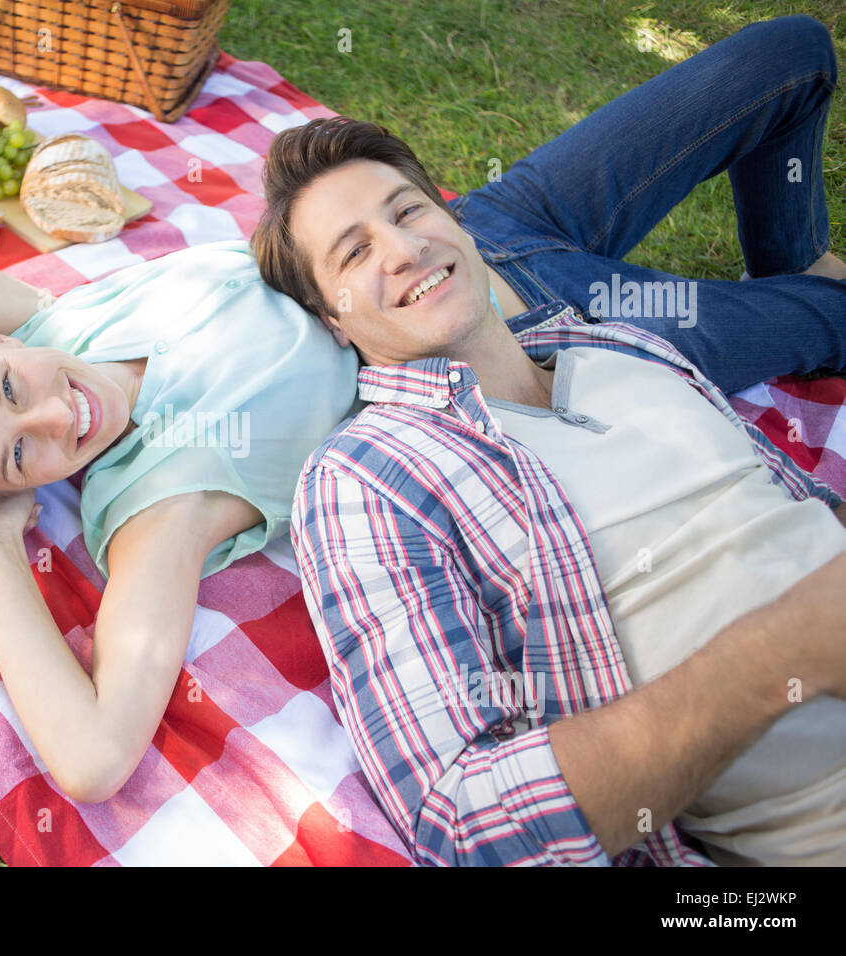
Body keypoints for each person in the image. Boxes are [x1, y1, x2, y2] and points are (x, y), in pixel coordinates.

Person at [253, 14, 846, 864]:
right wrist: (783, 651)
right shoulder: (367, 477)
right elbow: (466, 828)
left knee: (793, 47)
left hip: (550, 294)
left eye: (409, 209)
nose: (405, 244)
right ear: (329, 321)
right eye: (354, 252)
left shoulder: (622, 347)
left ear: (454, 219)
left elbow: (793, 512)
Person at [0, 228, 358, 803]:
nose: (58, 414)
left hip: (341, 218)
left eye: (8, 388)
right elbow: (94, 759)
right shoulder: (162, 502)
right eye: (17, 455)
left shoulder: (53, 327)